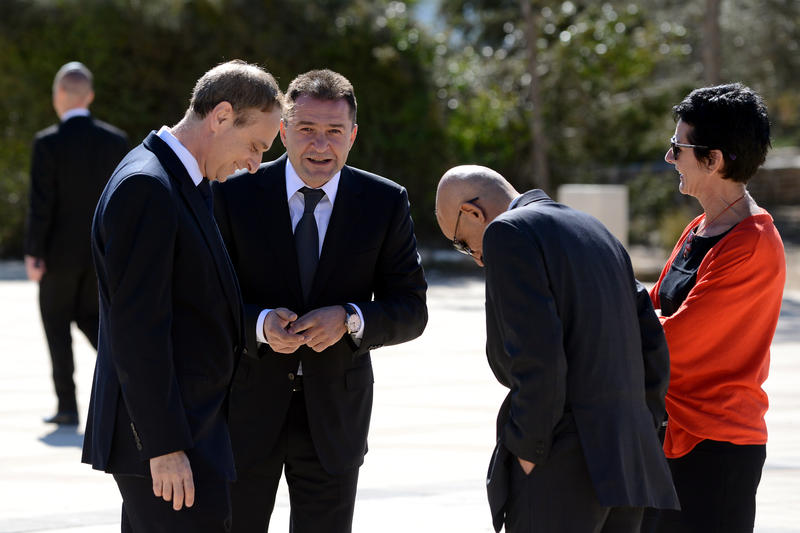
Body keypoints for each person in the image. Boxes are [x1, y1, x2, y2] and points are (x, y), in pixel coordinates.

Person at [212, 69, 428, 533]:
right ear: (283, 130)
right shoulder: (234, 192)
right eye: (307, 129)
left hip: (336, 420)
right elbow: (207, 299)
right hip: (244, 414)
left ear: (352, 136)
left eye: (334, 131)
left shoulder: (384, 201)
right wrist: (259, 325)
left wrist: (351, 319)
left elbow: (412, 309)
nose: (320, 145)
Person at [81, 60, 283, 533]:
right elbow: (137, 332)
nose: (255, 164)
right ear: (222, 116)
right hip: (171, 444)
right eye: (255, 145)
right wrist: (164, 446)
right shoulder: (147, 186)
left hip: (193, 432)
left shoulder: (184, 180)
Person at [435, 166, 680, 533]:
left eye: (462, 242)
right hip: (628, 464)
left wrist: (528, 452)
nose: (476, 257)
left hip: (560, 463)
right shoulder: (595, 229)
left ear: (472, 212)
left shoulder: (507, 232)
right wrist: (643, 429)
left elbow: (538, 358)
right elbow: (651, 343)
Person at [645, 83, 785, 533]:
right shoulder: (700, 228)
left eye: (678, 146)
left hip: (716, 450)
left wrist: (611, 312)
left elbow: (672, 340)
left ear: (714, 160)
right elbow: (652, 306)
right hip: (671, 435)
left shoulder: (752, 243)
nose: (670, 157)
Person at [24, 61, 128, 426]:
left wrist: (34, 251)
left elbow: (41, 203)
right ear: (91, 96)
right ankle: (131, 384)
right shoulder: (115, 141)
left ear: (58, 95)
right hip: (103, 254)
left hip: (58, 257)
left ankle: (67, 406)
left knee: (57, 329)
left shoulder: (47, 143)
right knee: (95, 323)